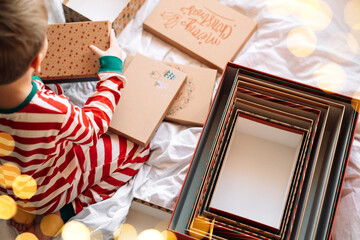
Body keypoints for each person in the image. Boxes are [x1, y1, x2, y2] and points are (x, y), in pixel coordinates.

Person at [0, 0, 149, 239]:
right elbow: (94, 126)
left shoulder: (46, 105)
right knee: (139, 149)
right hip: (45, 194)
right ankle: (63, 212)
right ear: (37, 62)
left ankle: (21, 209)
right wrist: (112, 74)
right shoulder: (51, 110)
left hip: (11, 188)